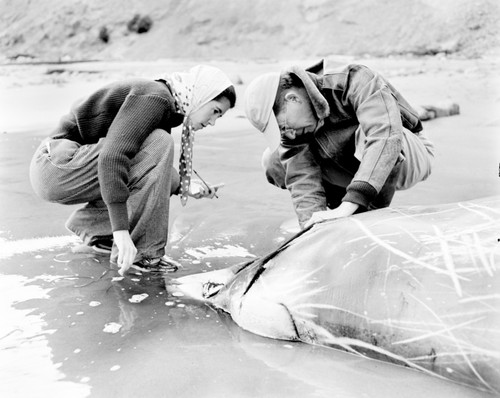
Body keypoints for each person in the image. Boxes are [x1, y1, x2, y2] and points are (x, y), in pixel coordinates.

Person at [30, 65, 236, 276]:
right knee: (160, 142)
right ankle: (144, 254)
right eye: (215, 112)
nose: (212, 122)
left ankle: (97, 231)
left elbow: (150, 167)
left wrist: (186, 187)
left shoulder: (166, 104)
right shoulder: (157, 98)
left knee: (157, 145)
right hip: (55, 165)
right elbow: (113, 157)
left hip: (61, 167)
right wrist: (121, 233)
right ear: (202, 95)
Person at [244, 59, 435, 229]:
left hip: (408, 152)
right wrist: (312, 226)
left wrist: (350, 205)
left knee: (370, 134)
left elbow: (385, 134)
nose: (290, 135)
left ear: (293, 99)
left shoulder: (354, 78)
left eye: (284, 127)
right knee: (273, 160)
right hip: (353, 166)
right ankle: (340, 211)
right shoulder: (294, 132)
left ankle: (363, 210)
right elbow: (302, 179)